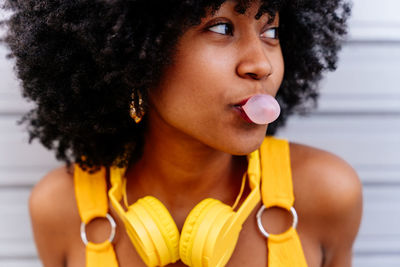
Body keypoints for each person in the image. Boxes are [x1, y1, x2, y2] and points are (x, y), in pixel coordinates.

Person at [2, 0, 362, 266]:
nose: (261, 64)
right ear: (136, 54)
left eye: (271, 32)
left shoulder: (324, 194)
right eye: (222, 27)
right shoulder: (61, 209)